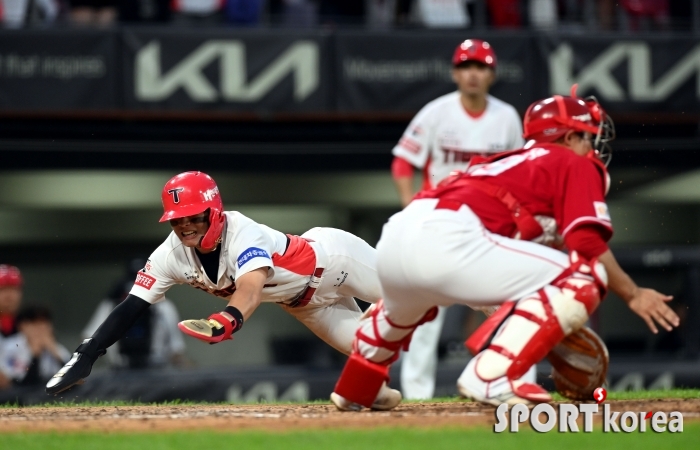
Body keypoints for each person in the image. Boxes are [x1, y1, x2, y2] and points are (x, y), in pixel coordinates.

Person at [330, 87, 680, 410]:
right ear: (570, 136)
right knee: (583, 276)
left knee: (405, 306)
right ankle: (491, 375)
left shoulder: (503, 162)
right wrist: (631, 294)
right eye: (587, 137)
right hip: (451, 240)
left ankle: (359, 383)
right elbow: (586, 244)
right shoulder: (573, 162)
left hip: (400, 234)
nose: (593, 147)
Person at [46, 171, 401, 410]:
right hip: (306, 305)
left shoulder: (242, 231)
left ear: (214, 212)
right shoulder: (170, 253)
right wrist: (88, 353)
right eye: (177, 218)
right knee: (373, 354)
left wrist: (226, 320)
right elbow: (132, 306)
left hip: (337, 262)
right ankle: (375, 390)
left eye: (194, 216)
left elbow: (250, 289)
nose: (185, 225)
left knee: (410, 297)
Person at [391, 39, 524, 400]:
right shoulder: (437, 112)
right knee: (426, 309)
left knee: (503, 305)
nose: (473, 74)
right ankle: (417, 395)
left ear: (492, 74)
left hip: (488, 223)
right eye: (466, 66)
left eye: (480, 67)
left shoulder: (507, 116)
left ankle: (497, 381)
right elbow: (404, 160)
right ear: (455, 73)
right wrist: (409, 205)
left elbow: (519, 171)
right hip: (439, 218)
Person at [82, 258, 189, 370]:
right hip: (120, 369)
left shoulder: (163, 307)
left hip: (156, 369)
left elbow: (176, 350)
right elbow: (89, 339)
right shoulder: (111, 305)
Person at [0, 306, 71, 388]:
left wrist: (56, 354)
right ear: (22, 326)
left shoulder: (55, 347)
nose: (40, 328)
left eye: (44, 322)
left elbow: (73, 379)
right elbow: (25, 384)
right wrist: (35, 355)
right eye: (34, 323)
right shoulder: (11, 347)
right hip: (19, 393)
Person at [0, 265, 23, 390]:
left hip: (24, 387)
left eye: (14, 289)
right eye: (3, 289)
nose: (9, 296)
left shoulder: (30, 324)